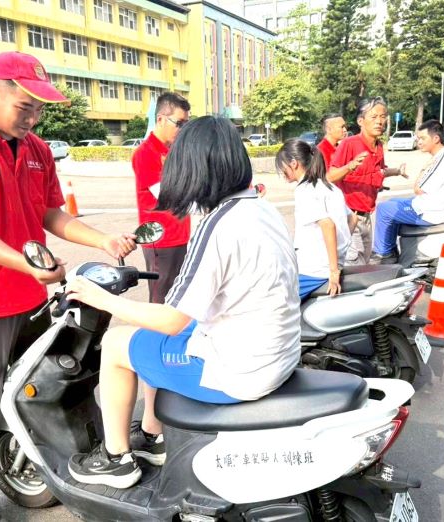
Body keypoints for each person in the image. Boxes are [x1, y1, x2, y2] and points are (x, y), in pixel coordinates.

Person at [0, 51, 136, 522]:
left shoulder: (37, 150)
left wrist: (102, 240)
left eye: (39, 109)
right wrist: (27, 264)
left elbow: (50, 214)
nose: (33, 118)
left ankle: (46, 467)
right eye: (25, 107)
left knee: (42, 387)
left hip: (30, 298)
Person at [66, 116, 301, 489]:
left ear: (194, 168)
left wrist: (101, 299)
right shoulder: (261, 209)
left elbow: (172, 319)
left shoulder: (218, 224)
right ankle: (152, 435)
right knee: (153, 336)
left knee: (115, 343)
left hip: (240, 371)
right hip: (277, 354)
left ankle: (115, 459)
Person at [371, 120, 444, 264]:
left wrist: (423, 169)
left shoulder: (441, 159)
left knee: (384, 209)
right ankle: (391, 250)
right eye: (418, 138)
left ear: (436, 139)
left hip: (431, 212)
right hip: (432, 205)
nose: (419, 142)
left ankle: (383, 255)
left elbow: (418, 188)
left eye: (422, 138)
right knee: (393, 201)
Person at [328, 97, 407, 265]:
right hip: (349, 216)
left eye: (383, 116)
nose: (379, 121)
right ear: (360, 121)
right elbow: (330, 176)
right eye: (374, 117)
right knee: (354, 267)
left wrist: (397, 171)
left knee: (364, 264)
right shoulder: (349, 144)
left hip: (366, 216)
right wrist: (349, 166)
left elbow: (377, 172)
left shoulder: (379, 146)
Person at [277, 138, 356, 298]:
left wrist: (333, 271)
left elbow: (328, 225)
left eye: (282, 166)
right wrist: (339, 253)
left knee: (273, 304)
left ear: (293, 163)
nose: (281, 171)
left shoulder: (305, 190)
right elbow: (353, 219)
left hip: (313, 271)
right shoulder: (330, 187)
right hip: (328, 266)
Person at [132, 92, 191, 304]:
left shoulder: (174, 151)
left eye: (186, 124)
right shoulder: (146, 153)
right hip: (160, 240)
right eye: (179, 123)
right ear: (160, 119)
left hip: (180, 236)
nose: (182, 129)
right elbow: (168, 196)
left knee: (179, 298)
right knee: (161, 300)